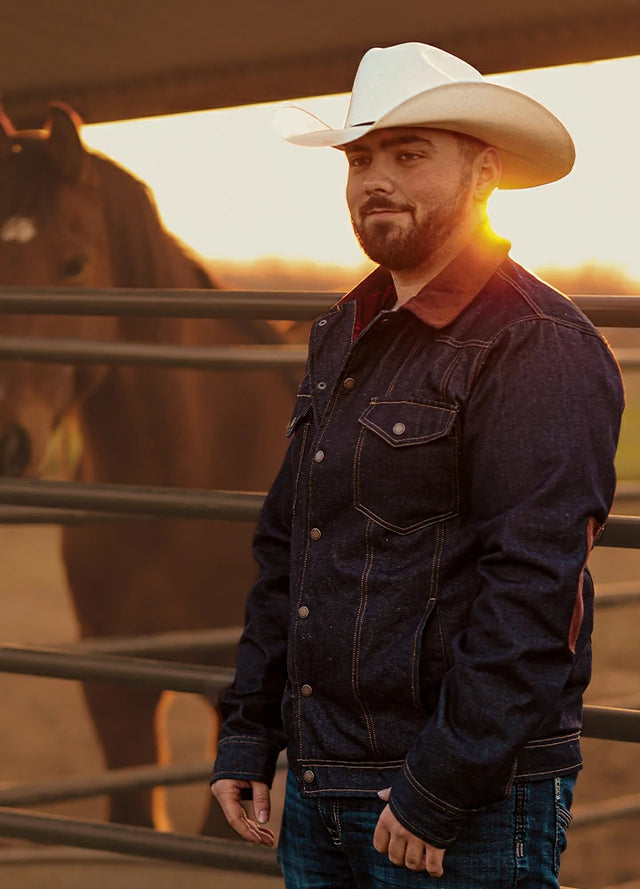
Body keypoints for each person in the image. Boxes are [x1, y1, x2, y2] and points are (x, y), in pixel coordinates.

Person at [211, 42, 624, 888]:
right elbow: (291, 548)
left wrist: (441, 784)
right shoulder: (345, 332)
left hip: (454, 802)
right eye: (361, 158)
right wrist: (250, 730)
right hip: (323, 783)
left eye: (408, 154)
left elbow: (535, 590)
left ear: (481, 175)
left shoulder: (533, 345)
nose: (375, 179)